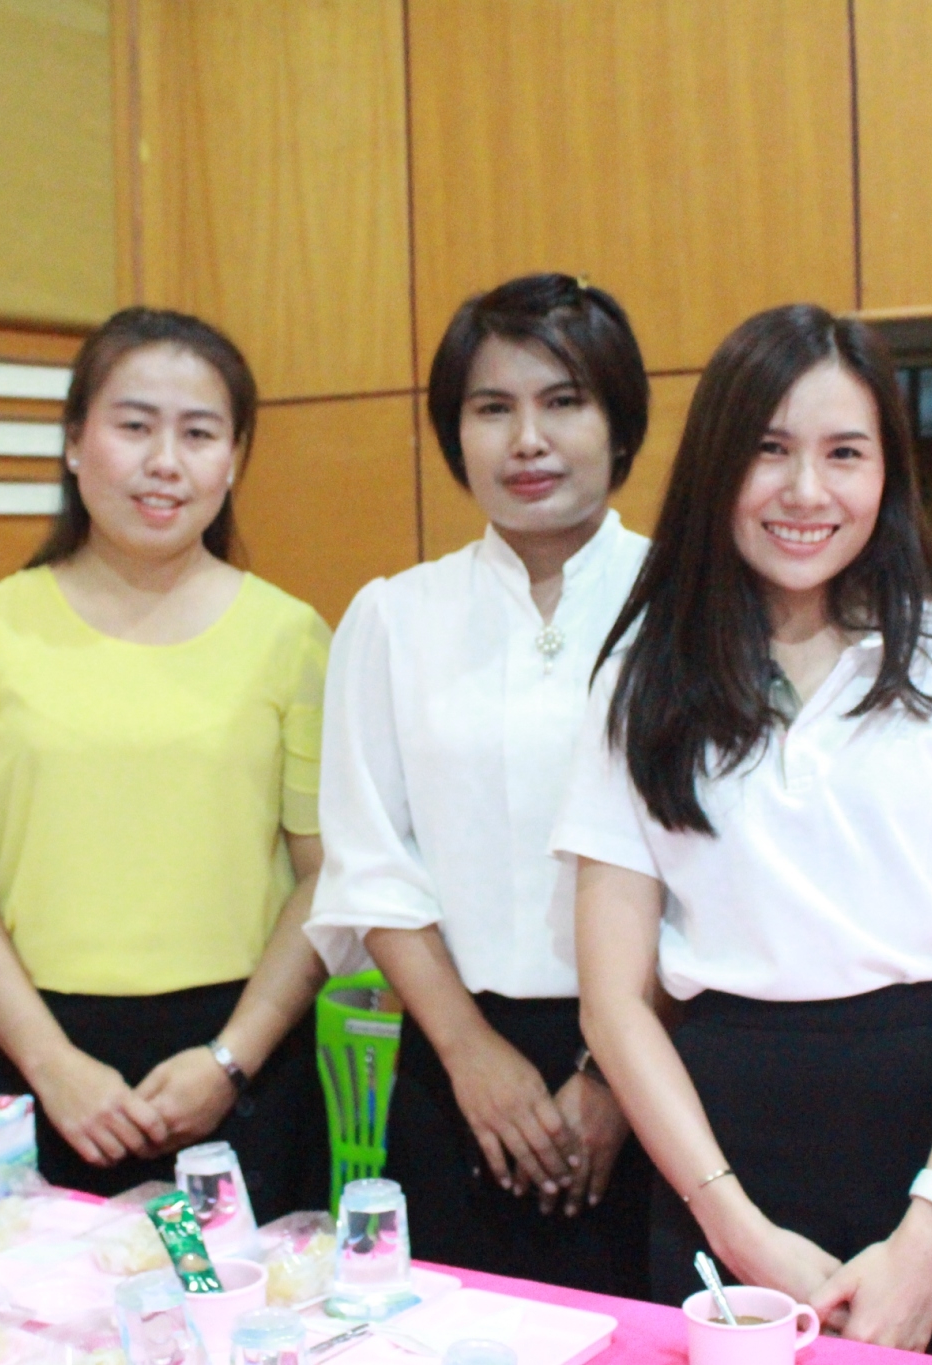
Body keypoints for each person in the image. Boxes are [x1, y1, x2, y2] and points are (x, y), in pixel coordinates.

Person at [557, 304, 932, 1361]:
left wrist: (931, 1236)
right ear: (716, 467)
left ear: (887, 472)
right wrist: (733, 1227)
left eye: (844, 453)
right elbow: (612, 1002)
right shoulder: (641, 682)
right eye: (769, 450)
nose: (806, 491)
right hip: (722, 1162)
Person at [0, 307, 331, 1212]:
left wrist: (229, 1059)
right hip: (35, 1053)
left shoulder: (292, 637)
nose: (166, 461)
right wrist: (52, 1064)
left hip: (242, 1065)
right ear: (75, 442)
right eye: (134, 425)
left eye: (199, 434)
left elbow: (327, 874)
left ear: (234, 460)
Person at [306, 274, 655, 1296]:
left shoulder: (690, 604)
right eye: (492, 408)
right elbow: (369, 861)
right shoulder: (393, 616)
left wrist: (614, 1077)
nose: (526, 440)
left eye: (563, 402)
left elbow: (722, 870)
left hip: (661, 1058)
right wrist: (468, 1053)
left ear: (618, 423)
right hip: (453, 1056)